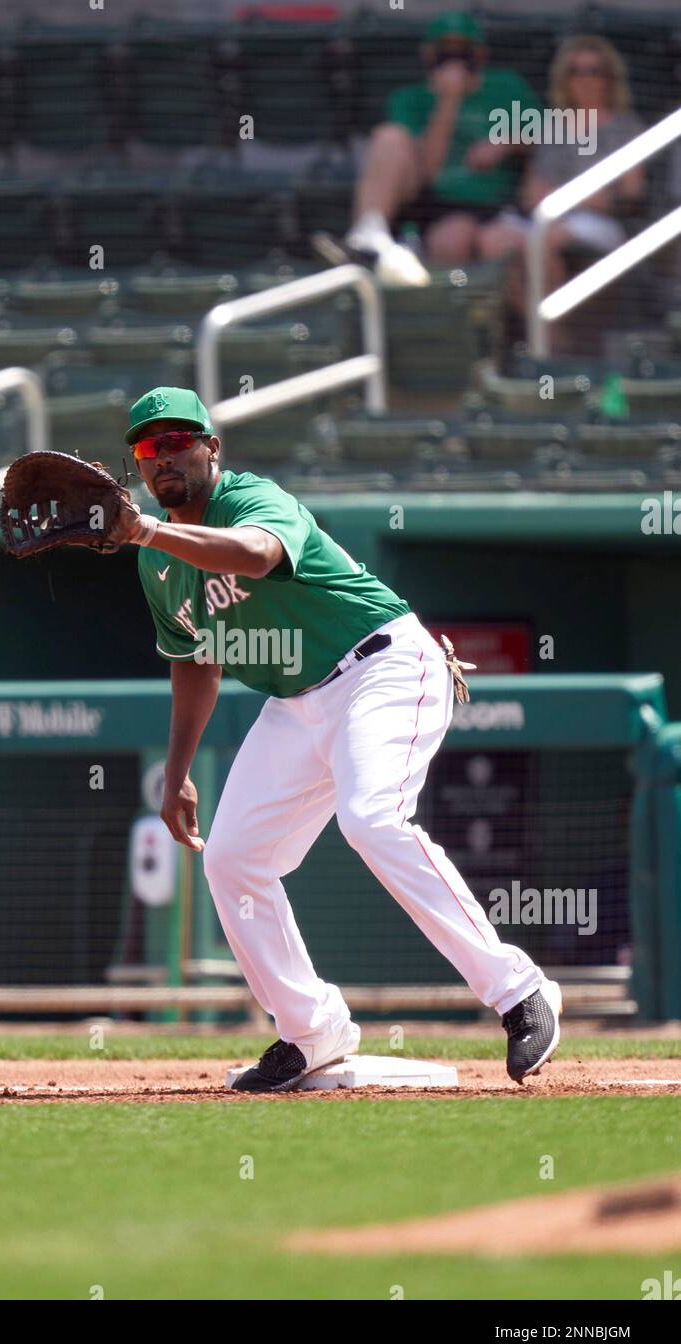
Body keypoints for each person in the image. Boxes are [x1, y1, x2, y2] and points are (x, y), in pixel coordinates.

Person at [110, 384, 562, 1092]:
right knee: (231, 858)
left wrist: (142, 530)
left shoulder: (252, 499)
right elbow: (197, 658)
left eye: (176, 441)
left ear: (210, 447)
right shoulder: (156, 563)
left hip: (380, 664)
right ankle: (311, 1030)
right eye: (147, 447)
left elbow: (256, 555)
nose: (163, 456)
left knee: (371, 816)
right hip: (295, 703)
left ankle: (520, 991)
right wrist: (176, 773)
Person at [314, 12, 538, 286]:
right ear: (428, 53)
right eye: (445, 48)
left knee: (466, 238)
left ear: (479, 54)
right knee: (389, 136)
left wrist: (506, 142)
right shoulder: (410, 99)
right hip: (433, 204)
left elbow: (546, 134)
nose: (453, 56)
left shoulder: (506, 86)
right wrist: (448, 100)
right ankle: (366, 238)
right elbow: (429, 170)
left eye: (462, 48)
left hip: (492, 202)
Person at [479, 36, 645, 325]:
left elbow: (630, 197)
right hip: (545, 217)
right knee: (492, 239)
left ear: (609, 78)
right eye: (575, 71)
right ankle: (538, 330)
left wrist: (565, 196)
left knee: (541, 242)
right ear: (563, 79)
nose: (585, 79)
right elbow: (531, 192)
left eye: (594, 71)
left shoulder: (626, 127)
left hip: (599, 223)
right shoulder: (552, 124)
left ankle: (548, 341)